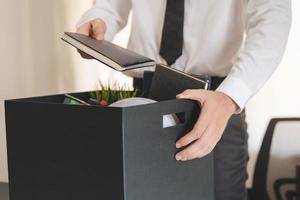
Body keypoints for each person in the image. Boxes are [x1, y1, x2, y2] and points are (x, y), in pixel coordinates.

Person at [76, 1, 292, 199]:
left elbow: (272, 17)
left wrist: (230, 96)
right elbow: (110, 5)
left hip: (216, 100)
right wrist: (100, 18)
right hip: (143, 96)